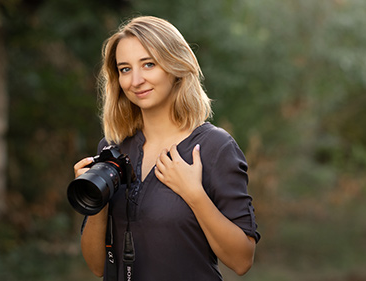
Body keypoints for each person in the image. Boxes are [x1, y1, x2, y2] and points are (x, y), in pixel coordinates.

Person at [73, 15, 260, 281]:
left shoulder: (214, 147)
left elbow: (242, 260)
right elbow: (97, 267)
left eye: (148, 64)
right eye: (125, 69)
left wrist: (194, 194)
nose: (135, 80)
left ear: (176, 66)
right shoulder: (112, 151)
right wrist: (95, 201)